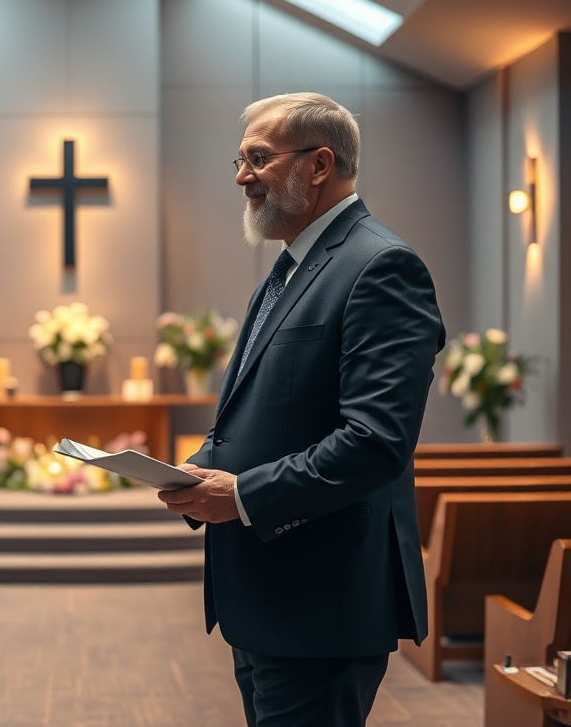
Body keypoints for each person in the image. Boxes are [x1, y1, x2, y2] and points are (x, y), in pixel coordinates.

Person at [158, 92, 445, 727]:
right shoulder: (292, 267)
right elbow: (264, 408)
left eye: (259, 158)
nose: (241, 177)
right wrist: (200, 467)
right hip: (266, 590)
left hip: (322, 595)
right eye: (238, 159)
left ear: (320, 164)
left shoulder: (380, 267)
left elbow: (376, 441)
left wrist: (242, 496)